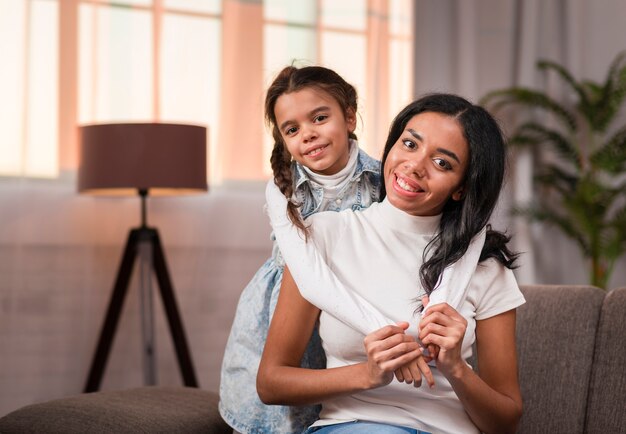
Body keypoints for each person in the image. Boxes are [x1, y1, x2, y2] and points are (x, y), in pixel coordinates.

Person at [257, 93, 525, 434]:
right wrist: (368, 375)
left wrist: (456, 367)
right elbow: (271, 382)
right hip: (353, 426)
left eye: (443, 163)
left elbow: (506, 422)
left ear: (461, 188)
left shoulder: (484, 267)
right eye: (410, 144)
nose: (415, 165)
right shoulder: (323, 236)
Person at [219, 65, 382, 434]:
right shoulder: (283, 188)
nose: (308, 134)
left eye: (319, 118)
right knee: (280, 419)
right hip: (290, 304)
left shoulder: (383, 178)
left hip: (349, 310)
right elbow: (306, 271)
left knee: (337, 404)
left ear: (350, 117)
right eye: (292, 129)